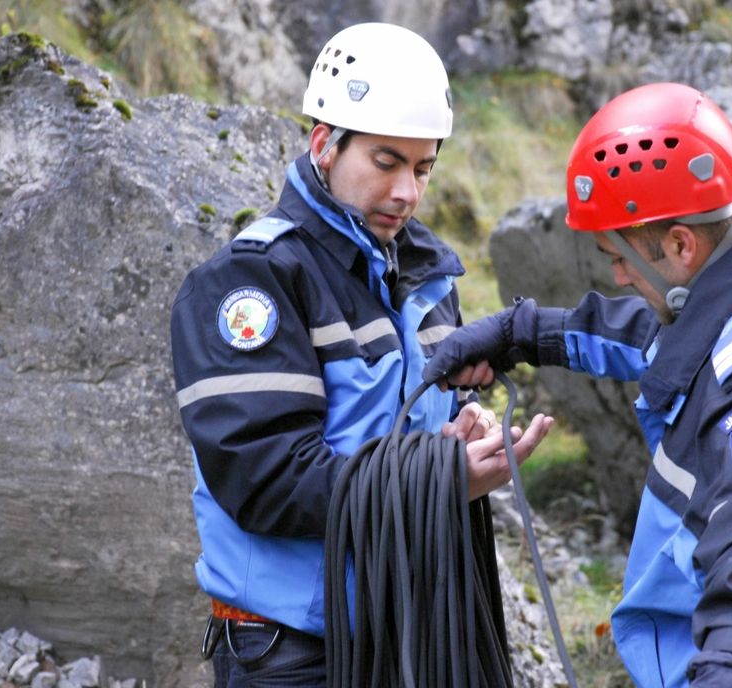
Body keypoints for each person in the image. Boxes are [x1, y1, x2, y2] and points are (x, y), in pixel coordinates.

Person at [422, 82, 732, 688]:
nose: (617, 275)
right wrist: (522, 333)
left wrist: (729, 672)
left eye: (619, 256)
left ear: (681, 245)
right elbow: (660, 338)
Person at [170, 21, 553, 688]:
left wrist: (461, 434)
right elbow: (265, 478)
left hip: (411, 636)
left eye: (423, 168)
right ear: (324, 144)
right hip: (293, 655)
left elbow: (415, 431)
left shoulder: (428, 279)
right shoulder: (253, 281)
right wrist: (439, 478)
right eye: (386, 162)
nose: (408, 192)